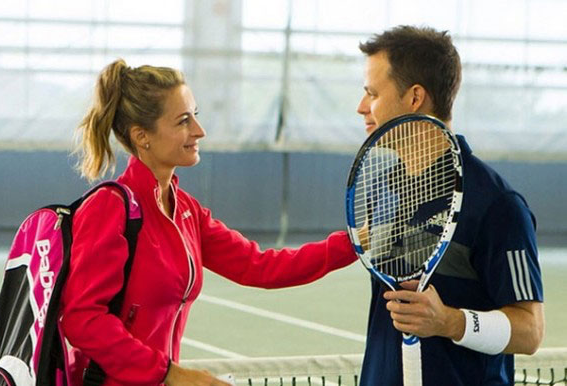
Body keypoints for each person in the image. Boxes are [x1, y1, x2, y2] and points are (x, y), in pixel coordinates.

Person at [60, 59, 357, 386]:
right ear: (142, 136)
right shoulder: (108, 208)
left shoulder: (187, 211)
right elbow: (82, 318)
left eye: (195, 116)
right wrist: (170, 374)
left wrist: (356, 242)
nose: (199, 131)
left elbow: (259, 266)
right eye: (183, 121)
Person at [355, 26, 544, 385]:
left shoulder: (498, 204)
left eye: (372, 93)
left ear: (414, 98)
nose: (362, 107)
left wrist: (449, 322)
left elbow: (530, 331)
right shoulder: (383, 188)